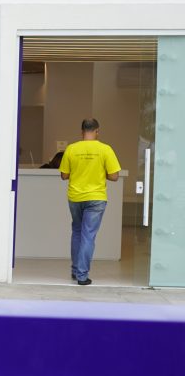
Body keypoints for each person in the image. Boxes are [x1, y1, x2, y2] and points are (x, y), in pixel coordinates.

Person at [60, 118, 121, 286]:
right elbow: (115, 176)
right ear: (97, 131)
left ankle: (75, 270)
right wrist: (101, 174)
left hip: (75, 197)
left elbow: (64, 175)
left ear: (81, 132)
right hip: (96, 198)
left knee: (77, 232)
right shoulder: (105, 149)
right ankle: (82, 275)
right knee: (88, 236)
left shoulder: (72, 149)